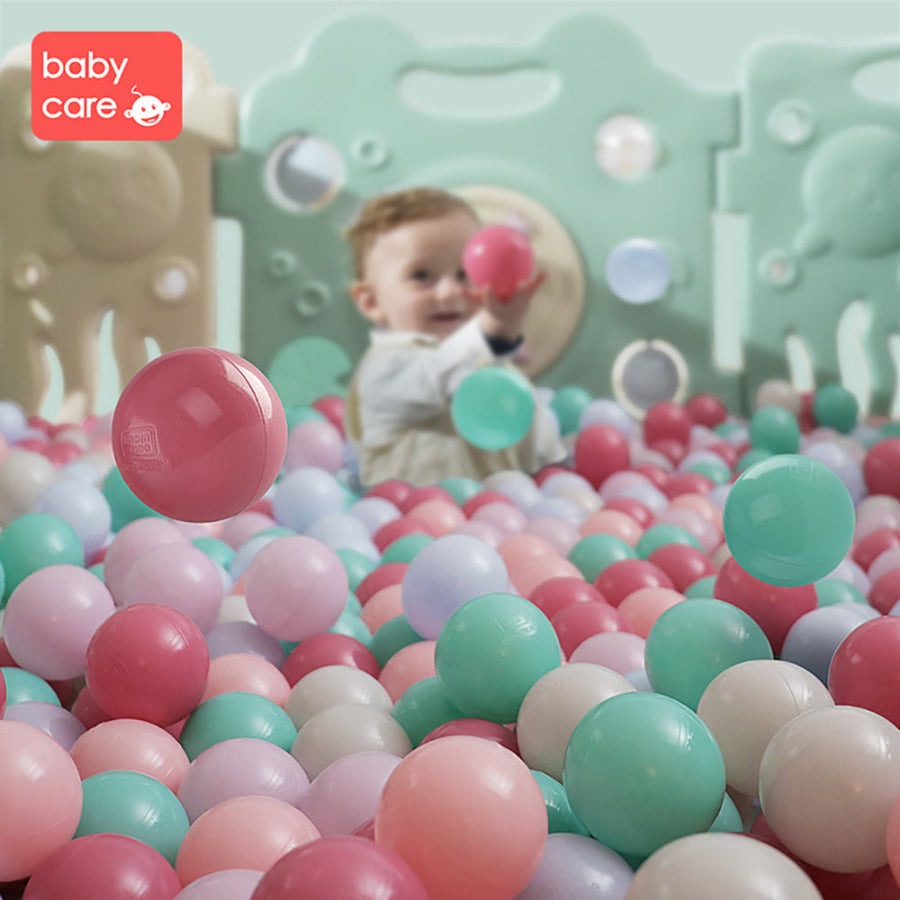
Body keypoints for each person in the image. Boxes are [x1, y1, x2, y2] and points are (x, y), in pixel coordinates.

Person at [342, 186, 566, 487]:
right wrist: (493, 326)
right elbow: (441, 376)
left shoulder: (485, 357)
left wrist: (554, 469)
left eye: (464, 274)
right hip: (414, 521)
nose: (449, 292)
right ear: (372, 301)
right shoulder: (384, 369)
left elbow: (525, 420)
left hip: (506, 516)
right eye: (421, 276)